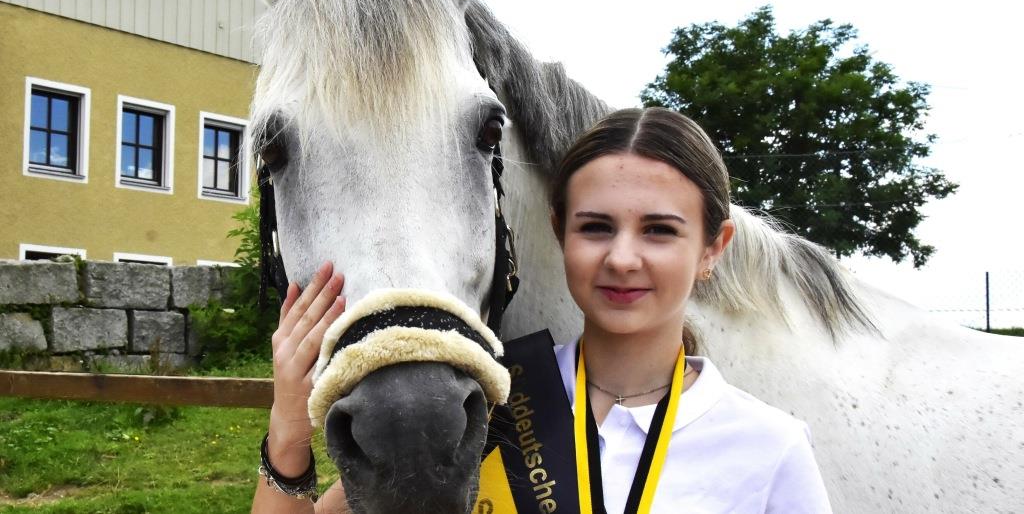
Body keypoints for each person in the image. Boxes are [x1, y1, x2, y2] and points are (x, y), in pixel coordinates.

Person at [252, 107, 833, 513]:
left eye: (659, 231)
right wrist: (287, 432)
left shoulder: (771, 448)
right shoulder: (482, 404)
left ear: (713, 249)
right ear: (560, 234)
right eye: (596, 227)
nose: (623, 258)